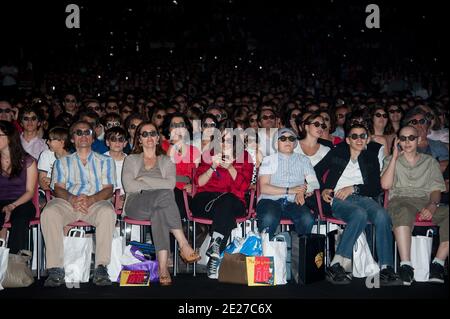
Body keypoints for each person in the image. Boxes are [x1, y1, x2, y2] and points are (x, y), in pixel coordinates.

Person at [314, 124, 401, 286]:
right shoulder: (337, 152)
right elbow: (315, 171)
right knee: (359, 214)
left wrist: (354, 188)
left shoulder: (370, 157)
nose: (359, 139)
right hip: (339, 198)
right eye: (354, 136)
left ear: (367, 139)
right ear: (348, 140)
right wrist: (324, 188)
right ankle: (337, 264)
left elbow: (376, 187)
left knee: (382, 215)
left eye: (362, 136)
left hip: (363, 197)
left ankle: (386, 267)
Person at [121, 121, 200, 286]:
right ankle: (183, 243)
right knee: (164, 195)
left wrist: (144, 179)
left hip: (160, 204)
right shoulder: (131, 159)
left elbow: (170, 184)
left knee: (160, 212)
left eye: (152, 134)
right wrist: (157, 182)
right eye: (144, 134)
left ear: (158, 138)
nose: (149, 137)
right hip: (136, 203)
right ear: (139, 140)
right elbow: (130, 186)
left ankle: (163, 268)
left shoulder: (166, 160)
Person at [41, 120, 117, 287]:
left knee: (107, 212)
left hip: (96, 202)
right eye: (79, 132)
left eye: (87, 132)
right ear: (72, 138)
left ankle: (101, 267)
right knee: (49, 211)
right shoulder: (62, 162)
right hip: (69, 202)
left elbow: (109, 189)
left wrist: (91, 199)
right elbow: (58, 189)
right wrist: (72, 199)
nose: (83, 136)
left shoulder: (106, 161)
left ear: (92, 137)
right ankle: (55, 268)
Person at [381, 125, 448, 284]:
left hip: (425, 201)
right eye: (403, 138)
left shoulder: (430, 162)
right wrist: (394, 157)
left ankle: (438, 264)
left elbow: (436, 189)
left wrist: (433, 205)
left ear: (418, 140)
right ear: (398, 141)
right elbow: (385, 185)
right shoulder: (390, 160)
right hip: (400, 199)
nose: (407, 142)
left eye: (411, 137)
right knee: (402, 210)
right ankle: (406, 265)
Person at [192, 125, 253, 279]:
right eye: (221, 139)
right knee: (224, 206)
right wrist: (212, 167)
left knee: (226, 201)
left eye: (229, 140)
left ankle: (215, 249)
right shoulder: (208, 155)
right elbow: (199, 182)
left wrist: (231, 168)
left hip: (234, 202)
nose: (224, 143)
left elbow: (244, 187)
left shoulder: (245, 157)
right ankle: (216, 250)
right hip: (206, 201)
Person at [257, 128, 319, 239]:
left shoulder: (303, 160)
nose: (287, 141)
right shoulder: (268, 160)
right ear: (276, 143)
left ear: (295, 143)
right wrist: (290, 190)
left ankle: (298, 252)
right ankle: (264, 253)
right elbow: (264, 188)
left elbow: (314, 183)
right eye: (283, 138)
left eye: (291, 138)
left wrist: (302, 191)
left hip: (294, 201)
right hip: (270, 200)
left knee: (307, 219)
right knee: (268, 218)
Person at [0, 121, 38, 253]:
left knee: (21, 219)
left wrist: (12, 206)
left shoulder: (27, 161)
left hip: (21, 201)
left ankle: (16, 263)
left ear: (10, 138)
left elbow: (30, 191)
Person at [38, 127, 71, 191]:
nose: (47, 142)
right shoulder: (46, 154)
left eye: (50, 140)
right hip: (48, 192)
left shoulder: (72, 159)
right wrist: (49, 192)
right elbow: (42, 179)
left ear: (61, 142)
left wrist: (52, 181)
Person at [104, 127, 128, 195]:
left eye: (121, 139)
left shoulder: (130, 161)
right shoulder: (100, 160)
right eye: (113, 139)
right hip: (106, 197)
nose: (117, 142)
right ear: (107, 142)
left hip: (126, 197)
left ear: (125, 143)